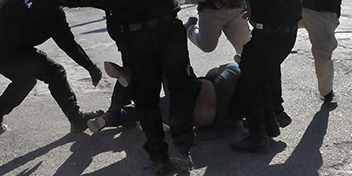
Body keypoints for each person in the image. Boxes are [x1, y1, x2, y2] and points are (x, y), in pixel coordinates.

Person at [9, 0, 224, 176]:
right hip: (167, 31)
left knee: (145, 95)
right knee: (181, 87)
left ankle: (158, 156)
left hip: (134, 38)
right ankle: (182, 147)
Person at [197, 0, 321, 154]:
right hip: (288, 34)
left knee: (250, 85)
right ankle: (271, 125)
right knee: (262, 78)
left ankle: (257, 139)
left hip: (266, 33)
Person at [0, 0, 103, 136]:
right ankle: (76, 120)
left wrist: (95, 1)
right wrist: (92, 68)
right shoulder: (50, 10)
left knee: (25, 79)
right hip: (3, 50)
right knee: (55, 72)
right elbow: (68, 44)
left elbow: (64, 1)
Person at [88, 63, 244, 137]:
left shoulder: (233, 71)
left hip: (191, 97)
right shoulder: (239, 110)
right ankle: (110, 118)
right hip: (198, 119)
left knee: (166, 63)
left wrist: (212, 73)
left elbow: (218, 69)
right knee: (144, 109)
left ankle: (130, 73)